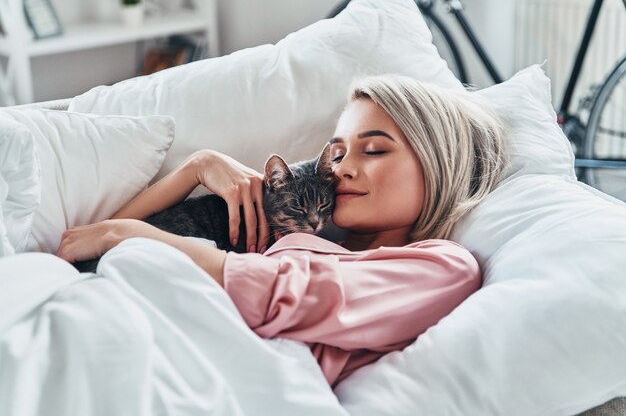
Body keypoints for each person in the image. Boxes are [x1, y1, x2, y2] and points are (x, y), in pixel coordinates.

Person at [57, 74, 507, 387]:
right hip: (115, 316)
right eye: (336, 153)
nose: (341, 169)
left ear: (438, 162)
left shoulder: (443, 266)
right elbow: (91, 237)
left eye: (372, 150)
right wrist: (197, 168)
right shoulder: (306, 240)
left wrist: (125, 238)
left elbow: (271, 292)